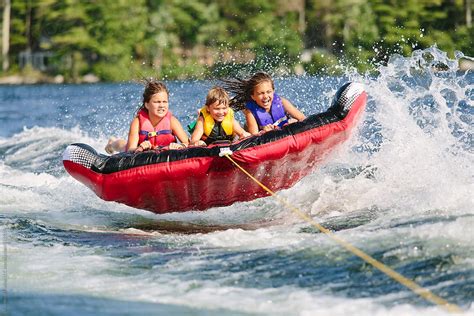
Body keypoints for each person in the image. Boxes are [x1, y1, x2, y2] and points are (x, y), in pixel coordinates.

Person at [105, 80, 189, 154]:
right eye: (157, 102)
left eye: (165, 102)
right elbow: (130, 149)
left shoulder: (172, 121)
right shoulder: (137, 122)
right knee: (123, 146)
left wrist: (179, 146)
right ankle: (112, 143)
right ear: (147, 105)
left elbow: (187, 143)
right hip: (139, 149)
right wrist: (140, 147)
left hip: (165, 151)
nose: (162, 105)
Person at [222, 72, 306, 135]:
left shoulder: (282, 102)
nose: (265, 96)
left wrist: (295, 123)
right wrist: (264, 132)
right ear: (253, 96)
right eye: (260, 93)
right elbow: (253, 137)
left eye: (268, 92)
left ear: (273, 91)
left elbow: (303, 118)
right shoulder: (250, 112)